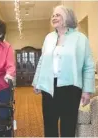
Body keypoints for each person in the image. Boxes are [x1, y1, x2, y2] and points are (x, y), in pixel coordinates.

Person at [32, 5, 95, 137]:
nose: (54, 17)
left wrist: (87, 91)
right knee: (49, 125)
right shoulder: (49, 38)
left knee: (68, 126)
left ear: (67, 17)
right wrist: (37, 82)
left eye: (58, 15)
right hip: (49, 87)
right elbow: (42, 61)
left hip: (71, 88)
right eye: (53, 15)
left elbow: (88, 65)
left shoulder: (80, 38)